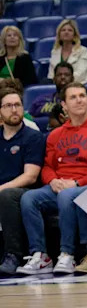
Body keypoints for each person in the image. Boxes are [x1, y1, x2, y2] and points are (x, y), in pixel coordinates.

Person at [16, 83, 87, 275]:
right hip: (59, 186)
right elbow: (47, 167)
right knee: (28, 198)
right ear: (64, 105)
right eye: (73, 97)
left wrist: (77, 183)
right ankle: (40, 255)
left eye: (82, 96)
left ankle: (67, 254)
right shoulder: (55, 135)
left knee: (66, 195)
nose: (79, 100)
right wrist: (52, 180)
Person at [0, 90, 44, 275]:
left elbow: (30, 176)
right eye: (8, 106)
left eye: (17, 105)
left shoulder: (32, 136)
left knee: (6, 195)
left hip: (25, 191)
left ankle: (14, 254)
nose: (14, 109)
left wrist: (1, 188)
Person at [48, 18, 87, 84]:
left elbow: (80, 74)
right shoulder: (54, 52)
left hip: (78, 85)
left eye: (70, 30)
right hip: (58, 87)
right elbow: (51, 75)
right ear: (59, 34)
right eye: (63, 30)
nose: (66, 32)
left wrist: (63, 81)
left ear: (74, 35)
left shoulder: (83, 51)